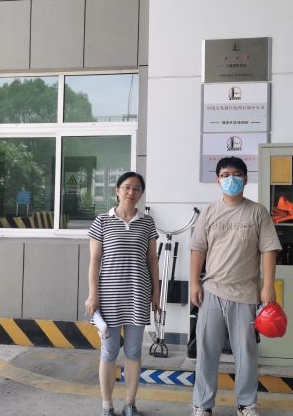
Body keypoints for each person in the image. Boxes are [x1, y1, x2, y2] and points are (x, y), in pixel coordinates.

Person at [190, 156, 282, 416]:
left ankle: (246, 404)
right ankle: (202, 405)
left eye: (236, 174)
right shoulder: (209, 212)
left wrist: (268, 286)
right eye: (225, 174)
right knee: (206, 352)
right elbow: (198, 249)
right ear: (217, 180)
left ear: (246, 178)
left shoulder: (257, 212)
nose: (231, 179)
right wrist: (194, 282)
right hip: (212, 292)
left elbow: (268, 250)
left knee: (247, 354)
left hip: (246, 294)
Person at [85, 171, 160, 416]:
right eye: (127, 187)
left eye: (137, 188)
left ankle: (130, 403)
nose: (131, 192)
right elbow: (95, 260)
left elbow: (152, 258)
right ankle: (107, 405)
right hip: (108, 297)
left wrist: (156, 292)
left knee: (134, 352)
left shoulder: (147, 223)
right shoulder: (102, 221)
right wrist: (93, 294)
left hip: (138, 294)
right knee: (108, 352)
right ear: (117, 190)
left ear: (141, 194)